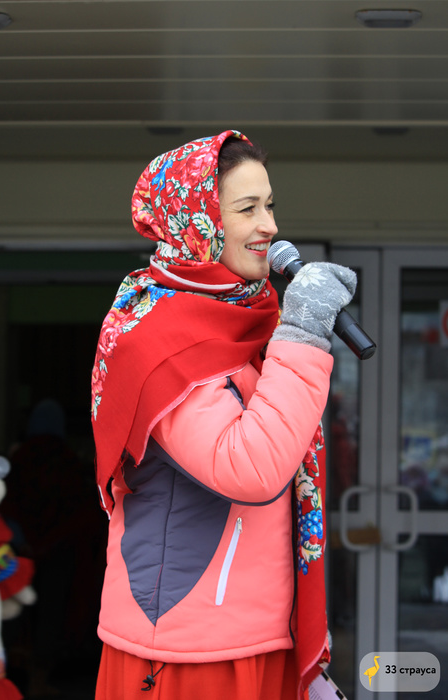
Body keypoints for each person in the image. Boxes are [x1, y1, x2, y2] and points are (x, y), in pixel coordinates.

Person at [91, 130, 356, 700]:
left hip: (260, 635)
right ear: (196, 222)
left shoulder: (251, 320)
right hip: (186, 654)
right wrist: (304, 333)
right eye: (247, 208)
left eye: (270, 205)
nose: (270, 226)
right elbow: (249, 469)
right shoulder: (155, 339)